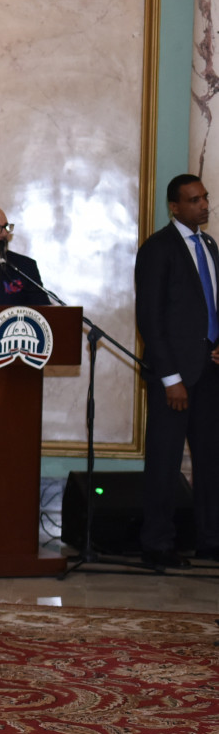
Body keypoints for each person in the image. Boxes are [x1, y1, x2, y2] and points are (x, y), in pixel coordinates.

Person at [134, 173, 219, 568]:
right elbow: (150, 319)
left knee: (210, 461)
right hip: (174, 379)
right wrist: (171, 378)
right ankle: (157, 544)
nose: (203, 205)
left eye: (205, 198)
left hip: (209, 373)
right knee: (165, 461)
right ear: (174, 206)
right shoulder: (158, 248)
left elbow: (211, 306)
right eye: (194, 200)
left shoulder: (210, 246)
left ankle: (210, 539)